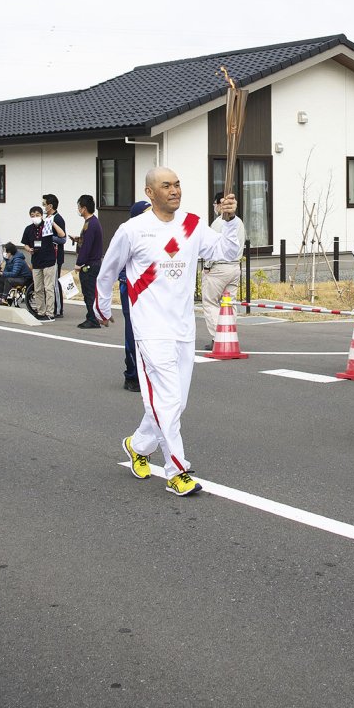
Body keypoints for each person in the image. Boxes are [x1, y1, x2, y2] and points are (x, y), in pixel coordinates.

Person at [96, 167, 242, 495]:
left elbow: (227, 253)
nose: (175, 190)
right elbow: (108, 271)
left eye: (177, 184)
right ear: (150, 192)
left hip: (182, 327)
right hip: (150, 329)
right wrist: (101, 307)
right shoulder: (133, 230)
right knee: (166, 400)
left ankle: (138, 445)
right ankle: (176, 470)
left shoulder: (191, 225)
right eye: (166, 186)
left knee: (176, 403)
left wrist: (230, 221)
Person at [201, 191, 246, 348]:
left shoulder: (219, 223)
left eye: (215, 205)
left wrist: (207, 267)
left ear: (220, 204)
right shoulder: (238, 222)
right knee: (229, 303)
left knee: (210, 302)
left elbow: (213, 247)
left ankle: (217, 337)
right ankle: (229, 334)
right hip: (235, 266)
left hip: (218, 267)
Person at [118, 200, 151, 391]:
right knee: (133, 332)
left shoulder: (154, 235)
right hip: (130, 289)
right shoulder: (128, 235)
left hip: (150, 291)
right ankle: (132, 376)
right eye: (147, 212)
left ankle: (149, 374)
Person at [21, 205, 65, 320]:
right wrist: (28, 249)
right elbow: (25, 243)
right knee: (38, 288)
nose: (35, 217)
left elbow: (62, 235)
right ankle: (41, 311)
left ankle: (50, 313)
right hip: (36, 261)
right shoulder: (28, 229)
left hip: (49, 260)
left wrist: (52, 222)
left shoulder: (47, 226)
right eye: (32, 216)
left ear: (41, 215)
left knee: (49, 287)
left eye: (37, 215)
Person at [73, 194, 103, 329]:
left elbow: (87, 246)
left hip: (90, 264)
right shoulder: (92, 222)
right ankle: (91, 316)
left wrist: (79, 263)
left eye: (79, 207)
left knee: (89, 293)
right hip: (93, 263)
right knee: (90, 292)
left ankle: (93, 318)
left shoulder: (90, 224)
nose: (78, 210)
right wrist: (78, 239)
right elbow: (86, 242)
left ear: (84, 208)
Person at [43, 194, 66, 317]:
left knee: (55, 283)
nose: (43, 206)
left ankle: (58, 309)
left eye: (44, 204)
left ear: (50, 206)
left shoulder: (58, 219)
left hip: (56, 256)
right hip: (47, 255)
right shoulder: (47, 217)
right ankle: (51, 306)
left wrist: (48, 238)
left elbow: (63, 239)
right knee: (49, 283)